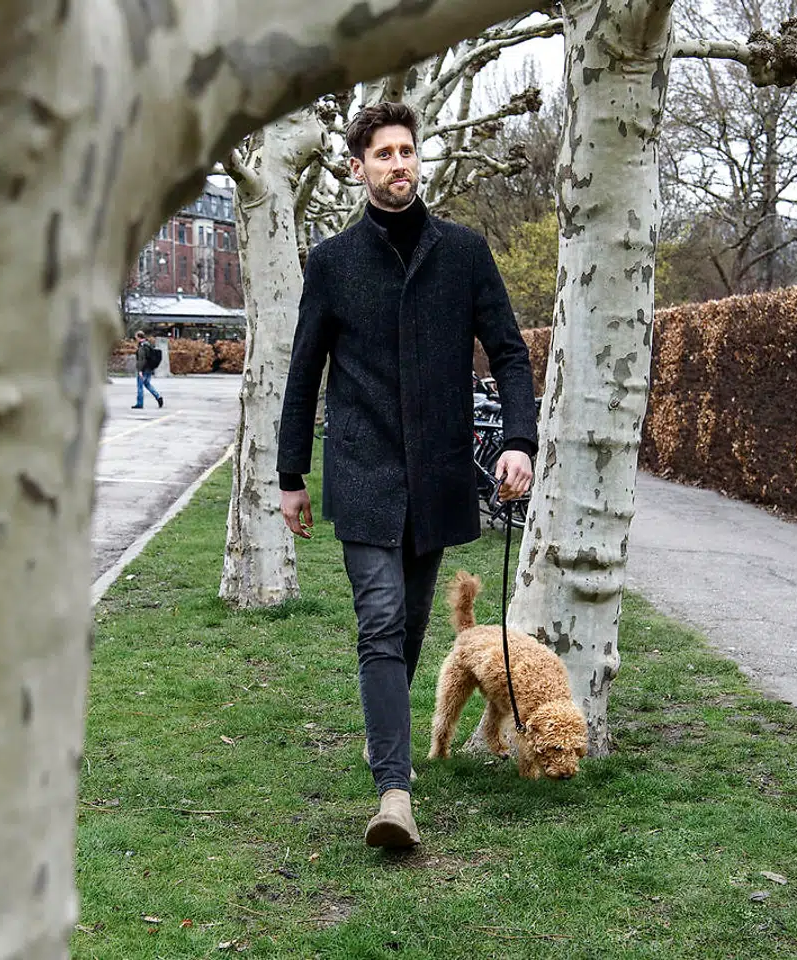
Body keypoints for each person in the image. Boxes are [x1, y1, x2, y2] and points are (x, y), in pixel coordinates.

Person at [276, 102, 537, 849]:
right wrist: (292, 472)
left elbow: (510, 351)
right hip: (361, 467)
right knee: (381, 619)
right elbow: (303, 375)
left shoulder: (464, 253)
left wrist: (518, 438)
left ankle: (382, 729)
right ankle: (395, 790)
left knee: (413, 620)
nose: (398, 164)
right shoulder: (331, 263)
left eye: (406, 151)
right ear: (358, 169)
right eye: (382, 154)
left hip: (439, 471)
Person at [132, 330, 163, 409]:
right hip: (149, 368)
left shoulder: (142, 346)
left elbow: (142, 360)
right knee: (147, 384)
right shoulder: (148, 344)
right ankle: (158, 397)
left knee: (140, 386)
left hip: (143, 369)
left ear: (139, 337)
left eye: (136, 337)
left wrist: (140, 371)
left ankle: (140, 403)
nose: (135, 339)